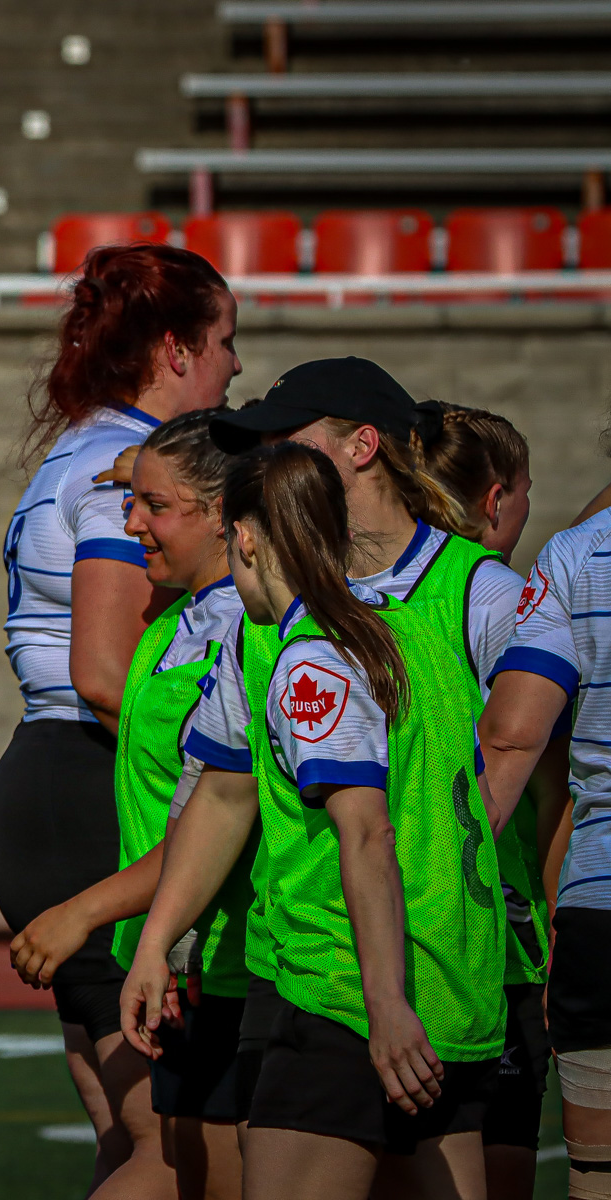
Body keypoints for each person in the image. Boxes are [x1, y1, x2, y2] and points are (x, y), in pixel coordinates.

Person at [130, 442, 504, 1200]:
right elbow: (226, 795)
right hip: (452, 990)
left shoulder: (313, 661)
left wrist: (383, 1003)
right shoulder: (411, 635)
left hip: (346, 993)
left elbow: (366, 832)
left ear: (245, 537)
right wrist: (155, 941)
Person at [0, 242, 240, 1190]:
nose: (235, 365)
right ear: (176, 350)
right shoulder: (117, 466)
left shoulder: (91, 443)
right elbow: (104, 671)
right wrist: (228, 764)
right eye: (225, 340)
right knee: (174, 1156)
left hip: (58, 781)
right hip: (97, 784)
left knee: (129, 1141)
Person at [422, 403, 565, 1200]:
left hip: (380, 912)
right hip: (492, 927)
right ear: (497, 498)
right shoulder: (504, 596)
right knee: (493, 1164)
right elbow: (549, 781)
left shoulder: (369, 584)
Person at [479, 497, 611, 1200]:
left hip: (600, 902)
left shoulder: (576, 553)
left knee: (597, 1182)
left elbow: (510, 738)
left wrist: (433, 886)